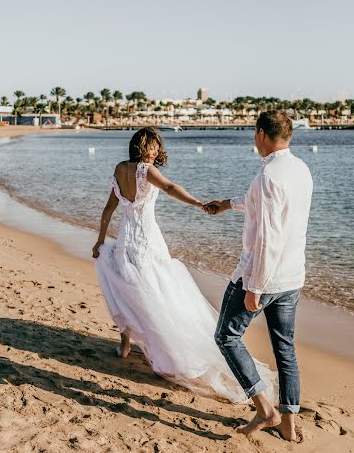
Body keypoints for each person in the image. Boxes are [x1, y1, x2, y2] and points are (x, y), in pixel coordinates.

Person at [92, 127, 276, 402]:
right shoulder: (145, 170)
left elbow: (109, 210)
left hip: (125, 241)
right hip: (146, 241)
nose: (156, 151)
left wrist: (99, 241)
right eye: (153, 146)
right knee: (152, 294)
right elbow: (169, 187)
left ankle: (125, 345)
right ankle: (168, 354)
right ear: (145, 147)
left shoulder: (120, 169)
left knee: (129, 291)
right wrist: (197, 203)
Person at [204, 110, 313, 441]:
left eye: (255, 133)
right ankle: (288, 424)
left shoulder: (268, 177)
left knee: (226, 336)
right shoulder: (300, 169)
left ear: (263, 134)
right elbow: (268, 208)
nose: (254, 139)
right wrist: (228, 203)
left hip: (262, 276)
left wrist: (254, 288)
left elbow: (267, 238)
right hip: (292, 277)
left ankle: (265, 409)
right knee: (285, 349)